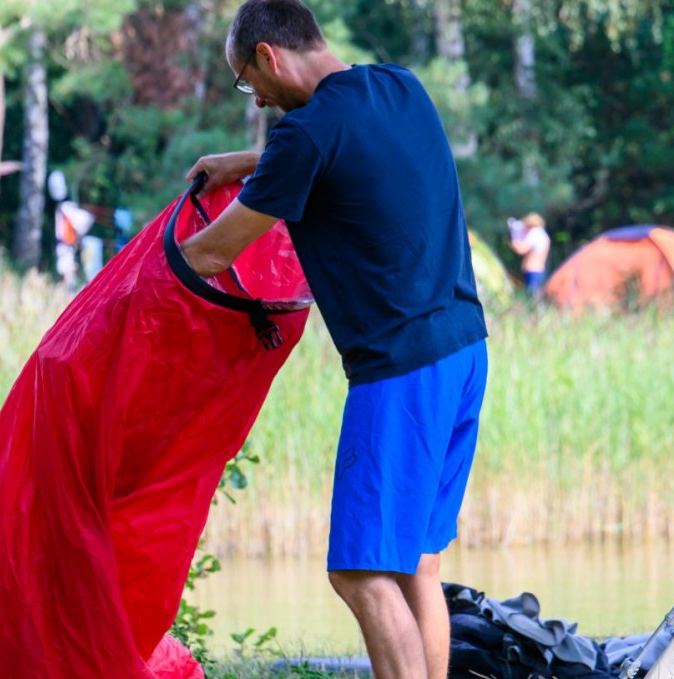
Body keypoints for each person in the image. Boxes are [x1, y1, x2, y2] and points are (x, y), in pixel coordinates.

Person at [180, 2, 488, 677]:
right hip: (466, 349)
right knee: (416, 564)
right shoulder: (400, 86)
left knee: (358, 572)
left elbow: (208, 254)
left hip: (401, 369)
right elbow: (342, 148)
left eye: (246, 80)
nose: (255, 98)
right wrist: (245, 161)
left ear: (269, 55)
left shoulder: (305, 135)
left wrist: (142, 264)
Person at [507, 213, 551, 298]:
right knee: (536, 296)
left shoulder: (535, 233)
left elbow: (521, 249)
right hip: (538, 270)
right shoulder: (542, 234)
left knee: (532, 297)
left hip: (533, 270)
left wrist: (514, 241)